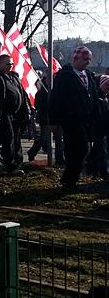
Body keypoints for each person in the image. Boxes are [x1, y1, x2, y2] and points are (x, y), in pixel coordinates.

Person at [49, 46, 99, 190]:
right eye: (85, 59)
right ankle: (69, 179)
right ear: (76, 59)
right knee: (80, 148)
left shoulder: (88, 75)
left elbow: (93, 96)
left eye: (89, 59)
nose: (87, 62)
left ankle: (71, 179)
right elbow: (55, 99)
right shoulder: (65, 76)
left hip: (86, 119)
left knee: (82, 149)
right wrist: (54, 120)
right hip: (71, 119)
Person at [0, 54, 30, 175]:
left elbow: (22, 93)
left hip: (17, 114)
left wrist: (26, 110)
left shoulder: (14, 77)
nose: (10, 66)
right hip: (3, 114)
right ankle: (10, 165)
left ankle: (18, 161)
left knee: (16, 139)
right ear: (0, 64)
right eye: (7, 64)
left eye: (11, 64)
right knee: (8, 139)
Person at [27, 75, 65, 164]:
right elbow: (37, 105)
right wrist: (47, 104)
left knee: (59, 139)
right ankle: (32, 152)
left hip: (58, 118)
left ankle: (59, 158)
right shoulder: (42, 91)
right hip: (45, 118)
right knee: (43, 138)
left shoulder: (57, 90)